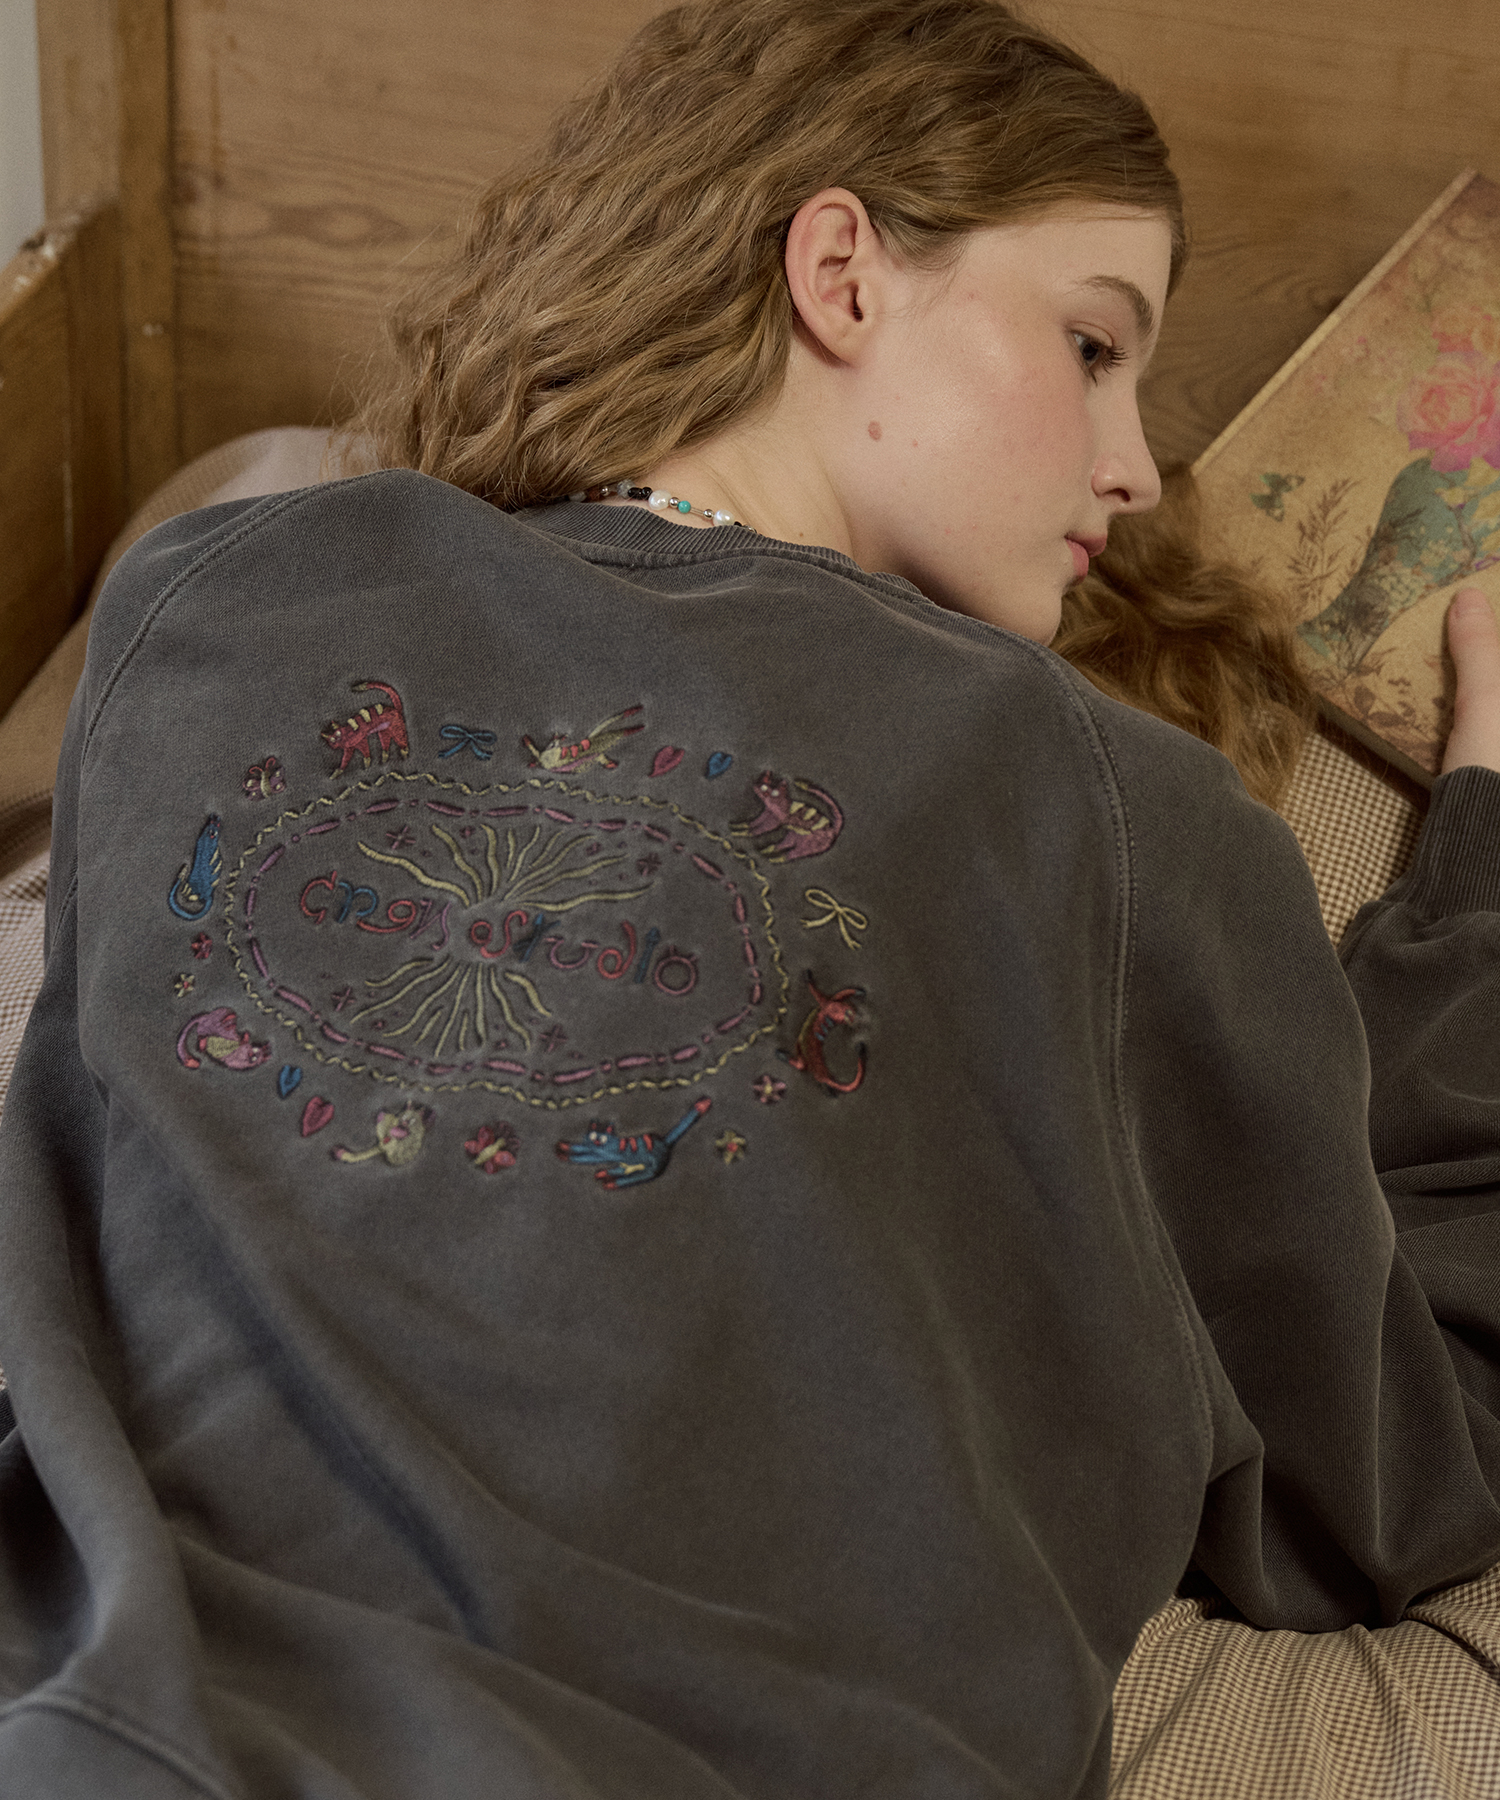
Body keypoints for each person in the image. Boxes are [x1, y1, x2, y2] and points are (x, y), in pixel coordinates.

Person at [1, 1, 1498, 1795]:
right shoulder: (1107, 806)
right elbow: (1387, 1475)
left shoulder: (229, 585)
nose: (1134, 464)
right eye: (1093, 344)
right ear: (842, 273)